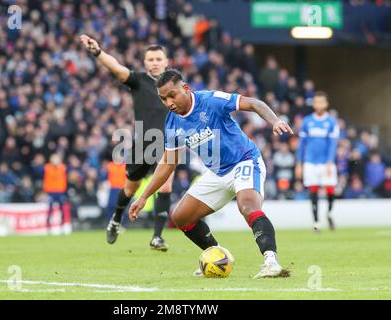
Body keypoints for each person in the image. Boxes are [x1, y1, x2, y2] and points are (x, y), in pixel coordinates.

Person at [129, 69, 292, 278]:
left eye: (172, 95)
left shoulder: (210, 100)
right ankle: (218, 256)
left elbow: (252, 103)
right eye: (163, 99)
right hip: (217, 172)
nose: (168, 103)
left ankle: (271, 262)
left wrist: (275, 120)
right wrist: (143, 196)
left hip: (244, 161)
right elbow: (168, 164)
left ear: (186, 89)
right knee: (180, 217)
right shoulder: (172, 122)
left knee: (248, 206)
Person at [80, 35, 174, 251]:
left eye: (158, 59)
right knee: (131, 188)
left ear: (166, 61)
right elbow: (117, 68)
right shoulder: (139, 80)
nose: (155, 62)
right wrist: (97, 52)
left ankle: (157, 237)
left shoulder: (176, 85)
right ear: (145, 63)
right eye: (150, 59)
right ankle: (116, 219)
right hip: (143, 143)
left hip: (168, 143)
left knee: (166, 185)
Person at [295, 91, 339, 232]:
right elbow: (301, 144)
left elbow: (333, 144)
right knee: (313, 190)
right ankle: (316, 222)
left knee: (330, 189)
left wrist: (329, 162)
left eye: (321, 102)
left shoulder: (332, 122)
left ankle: (329, 213)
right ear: (313, 104)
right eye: (316, 102)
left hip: (326, 162)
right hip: (310, 162)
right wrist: (299, 163)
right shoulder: (307, 121)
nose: (319, 104)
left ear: (326, 104)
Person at [43, 153, 68, 233]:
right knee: (50, 208)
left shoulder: (63, 167)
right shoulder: (47, 167)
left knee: (62, 209)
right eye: (54, 159)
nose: (55, 160)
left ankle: (63, 225)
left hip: (60, 191)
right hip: (51, 191)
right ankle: (48, 226)